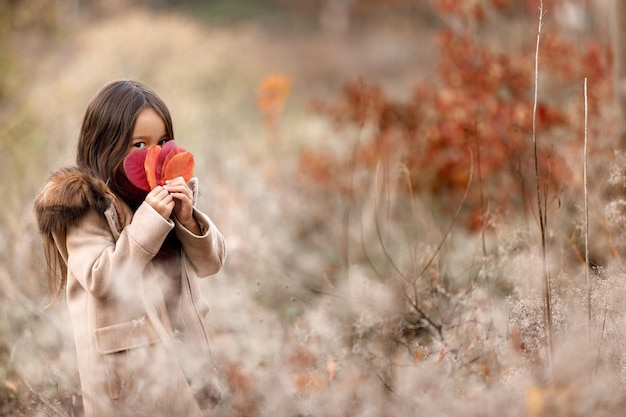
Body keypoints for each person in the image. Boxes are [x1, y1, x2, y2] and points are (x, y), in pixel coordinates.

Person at [33, 80, 226, 416]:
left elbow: (211, 264)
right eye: (139, 144)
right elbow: (100, 279)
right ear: (106, 144)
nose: (155, 153)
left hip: (184, 350)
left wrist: (188, 218)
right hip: (128, 373)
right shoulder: (87, 206)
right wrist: (149, 220)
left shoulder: (165, 196)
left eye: (163, 141)